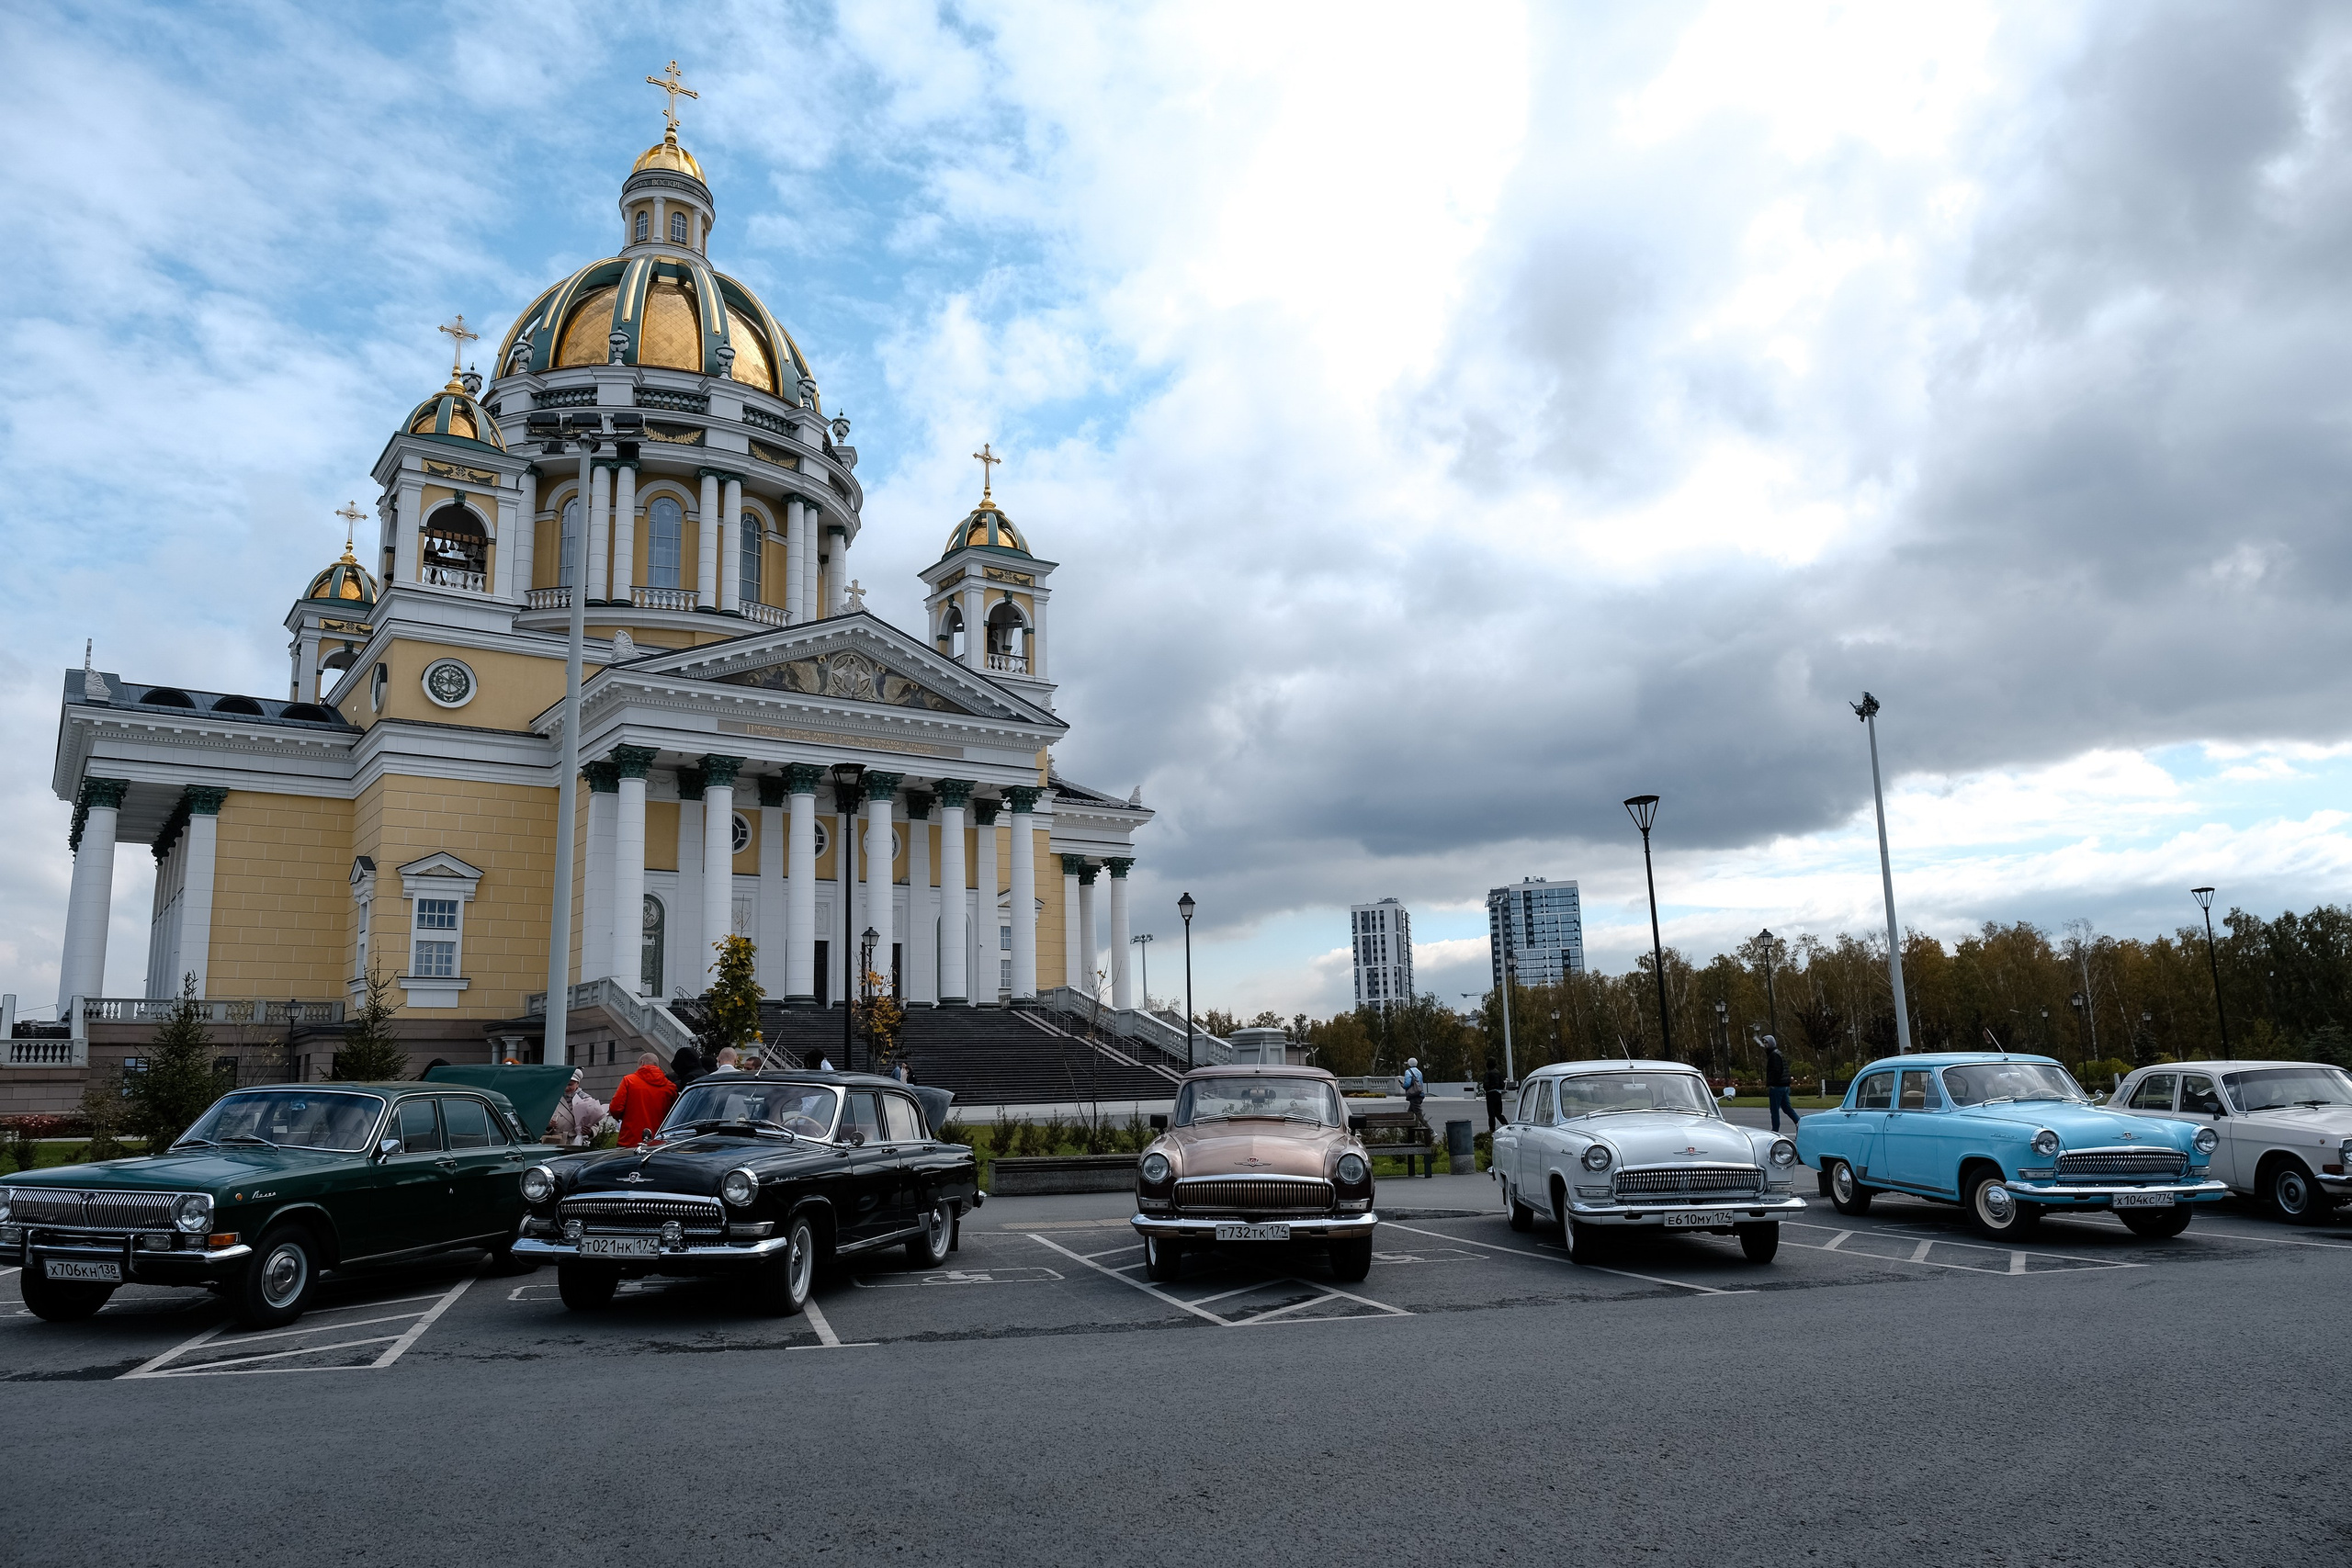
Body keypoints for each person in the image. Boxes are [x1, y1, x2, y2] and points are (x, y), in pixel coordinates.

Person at [610, 1052, 678, 1146]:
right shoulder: (670, 1087)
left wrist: (625, 1117)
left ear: (642, 1063)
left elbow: (615, 1108)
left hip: (630, 1141)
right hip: (658, 1143)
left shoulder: (629, 1081)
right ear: (657, 1066)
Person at [545, 1069, 606, 1147]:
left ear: (577, 1084)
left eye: (570, 1085)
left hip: (577, 1142)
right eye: (564, 1084)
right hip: (555, 1143)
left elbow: (595, 1125)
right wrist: (548, 1125)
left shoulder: (586, 1100)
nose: (566, 1088)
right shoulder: (553, 1098)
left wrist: (590, 1131)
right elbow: (541, 1122)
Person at [1763, 1034, 1800, 1133]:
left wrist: (1771, 1083)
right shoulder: (1778, 1053)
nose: (1765, 1045)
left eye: (1766, 1042)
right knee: (1787, 1108)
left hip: (1777, 1087)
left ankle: (1775, 1130)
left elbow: (1776, 1071)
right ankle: (1799, 1123)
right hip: (1784, 1085)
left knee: (1774, 1110)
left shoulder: (1774, 1055)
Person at [1399, 1057, 1427, 1124]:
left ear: (1409, 1064)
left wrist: (1402, 1085)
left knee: (1419, 1115)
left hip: (1414, 1096)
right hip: (1420, 1095)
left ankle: (1431, 1131)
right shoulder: (1419, 1072)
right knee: (1409, 1114)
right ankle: (1411, 1131)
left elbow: (1407, 1084)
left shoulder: (1408, 1072)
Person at [1483, 1063, 1505, 1134]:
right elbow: (1502, 1084)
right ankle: (1506, 1124)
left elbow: (1485, 1084)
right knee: (1498, 1113)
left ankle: (1492, 1129)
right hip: (1498, 1094)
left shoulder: (1487, 1073)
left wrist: (1488, 1088)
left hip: (1490, 1094)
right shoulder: (1498, 1073)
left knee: (1491, 1113)